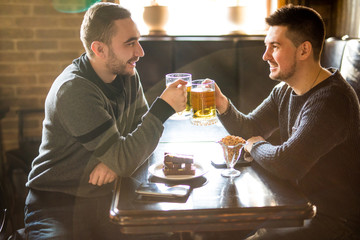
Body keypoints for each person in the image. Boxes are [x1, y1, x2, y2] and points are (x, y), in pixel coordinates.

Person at [24, 2, 186, 240]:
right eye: (130, 43)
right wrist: (162, 109)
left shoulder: (127, 72)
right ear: (99, 49)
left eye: (138, 41)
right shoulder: (74, 91)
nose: (140, 52)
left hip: (109, 194)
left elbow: (138, 135)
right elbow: (132, 148)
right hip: (58, 202)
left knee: (169, 234)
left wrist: (115, 162)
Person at [215, 5, 360, 240]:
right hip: (295, 204)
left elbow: (286, 163)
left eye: (275, 46)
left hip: (333, 220)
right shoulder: (285, 90)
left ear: (303, 50)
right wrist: (222, 104)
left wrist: (254, 145)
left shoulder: (332, 99)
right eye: (266, 46)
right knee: (218, 230)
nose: (265, 55)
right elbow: (251, 130)